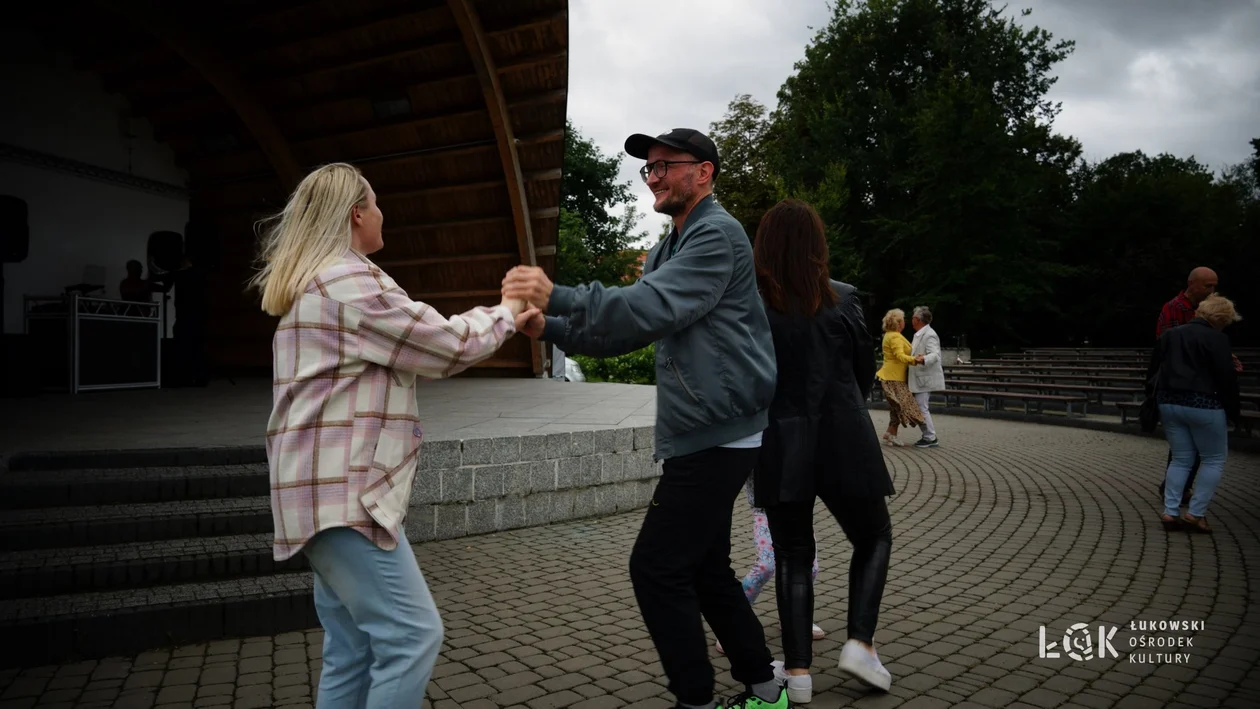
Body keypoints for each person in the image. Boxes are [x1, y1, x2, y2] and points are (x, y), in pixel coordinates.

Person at [504, 128, 788, 709]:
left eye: (664, 165)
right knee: (705, 568)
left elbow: (647, 306)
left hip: (722, 431)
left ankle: (696, 699)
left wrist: (558, 295)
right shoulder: (671, 247)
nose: (653, 177)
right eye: (648, 169)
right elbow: (629, 326)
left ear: (703, 172)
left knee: (656, 568)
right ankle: (765, 686)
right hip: (703, 431)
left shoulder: (717, 235)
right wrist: (551, 328)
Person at [250, 163, 536, 707]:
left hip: (316, 498)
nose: (384, 215)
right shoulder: (346, 280)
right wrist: (506, 311)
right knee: (412, 636)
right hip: (345, 496)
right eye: (376, 205)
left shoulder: (312, 284)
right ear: (358, 214)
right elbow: (444, 345)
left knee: (351, 650)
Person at [751, 199, 896, 701]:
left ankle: (797, 674)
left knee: (792, 555)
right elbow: (862, 373)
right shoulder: (845, 298)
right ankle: (860, 641)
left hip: (779, 441)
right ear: (818, 245)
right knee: (874, 535)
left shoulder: (751, 305)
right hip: (844, 435)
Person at [1147, 294, 1242, 534]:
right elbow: (1225, 378)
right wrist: (1234, 411)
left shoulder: (1170, 335)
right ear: (1222, 319)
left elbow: (1153, 370)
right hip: (1204, 404)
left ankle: (1170, 512)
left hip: (1169, 402)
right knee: (1213, 459)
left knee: (1180, 459)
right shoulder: (1217, 338)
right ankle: (1195, 514)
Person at [714, 476, 824, 657]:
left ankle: (793, 618)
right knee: (766, 566)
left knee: (809, 568)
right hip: (764, 510)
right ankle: (732, 625)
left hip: (798, 508)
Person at [875, 309, 923, 446]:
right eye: (903, 320)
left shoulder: (890, 335)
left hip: (893, 376)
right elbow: (899, 356)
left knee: (897, 407)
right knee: (901, 407)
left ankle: (890, 433)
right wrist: (915, 360)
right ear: (898, 323)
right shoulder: (895, 337)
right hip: (894, 377)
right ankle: (892, 433)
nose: (905, 322)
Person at [907, 307, 944, 448]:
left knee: (922, 407)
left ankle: (930, 437)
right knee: (921, 407)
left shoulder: (929, 334)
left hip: (924, 378)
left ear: (917, 320)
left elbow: (935, 354)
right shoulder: (920, 334)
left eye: (912, 318)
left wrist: (923, 359)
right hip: (920, 377)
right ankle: (928, 436)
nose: (911, 320)